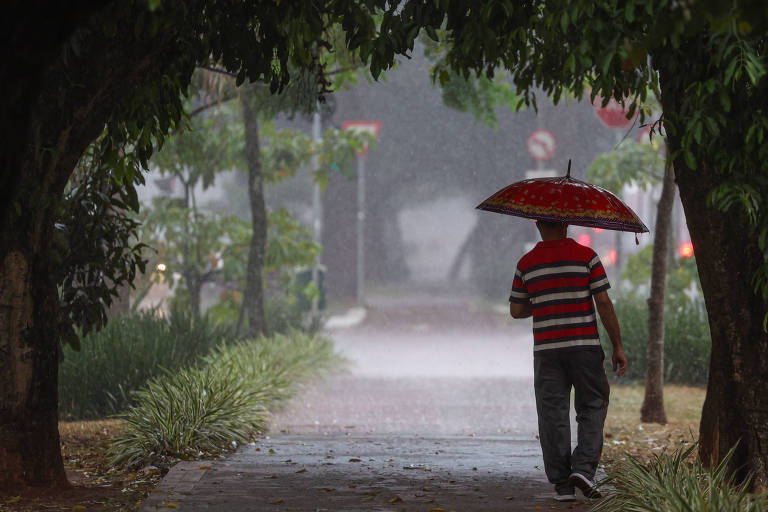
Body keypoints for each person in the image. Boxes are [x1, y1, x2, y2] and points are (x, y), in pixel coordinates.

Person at [508, 220, 627, 502]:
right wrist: (618, 346)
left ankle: (562, 485)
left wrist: (544, 300)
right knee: (593, 404)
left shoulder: (527, 263)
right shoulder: (587, 257)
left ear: (538, 224)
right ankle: (584, 468)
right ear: (567, 224)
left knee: (552, 415)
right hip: (584, 349)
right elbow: (604, 303)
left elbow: (516, 310)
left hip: (547, 351)